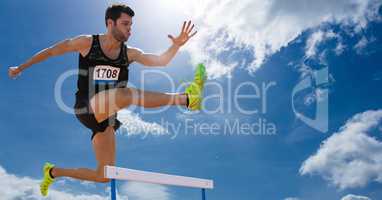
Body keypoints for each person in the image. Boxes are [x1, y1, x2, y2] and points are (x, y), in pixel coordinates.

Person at [8, 4, 206, 196]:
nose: (130, 29)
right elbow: (51, 51)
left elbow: (160, 61)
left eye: (131, 25)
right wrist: (21, 68)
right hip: (86, 106)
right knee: (125, 94)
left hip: (107, 118)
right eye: (125, 24)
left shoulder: (129, 53)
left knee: (104, 175)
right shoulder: (87, 43)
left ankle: (52, 172)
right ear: (110, 23)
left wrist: (176, 45)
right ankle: (187, 99)